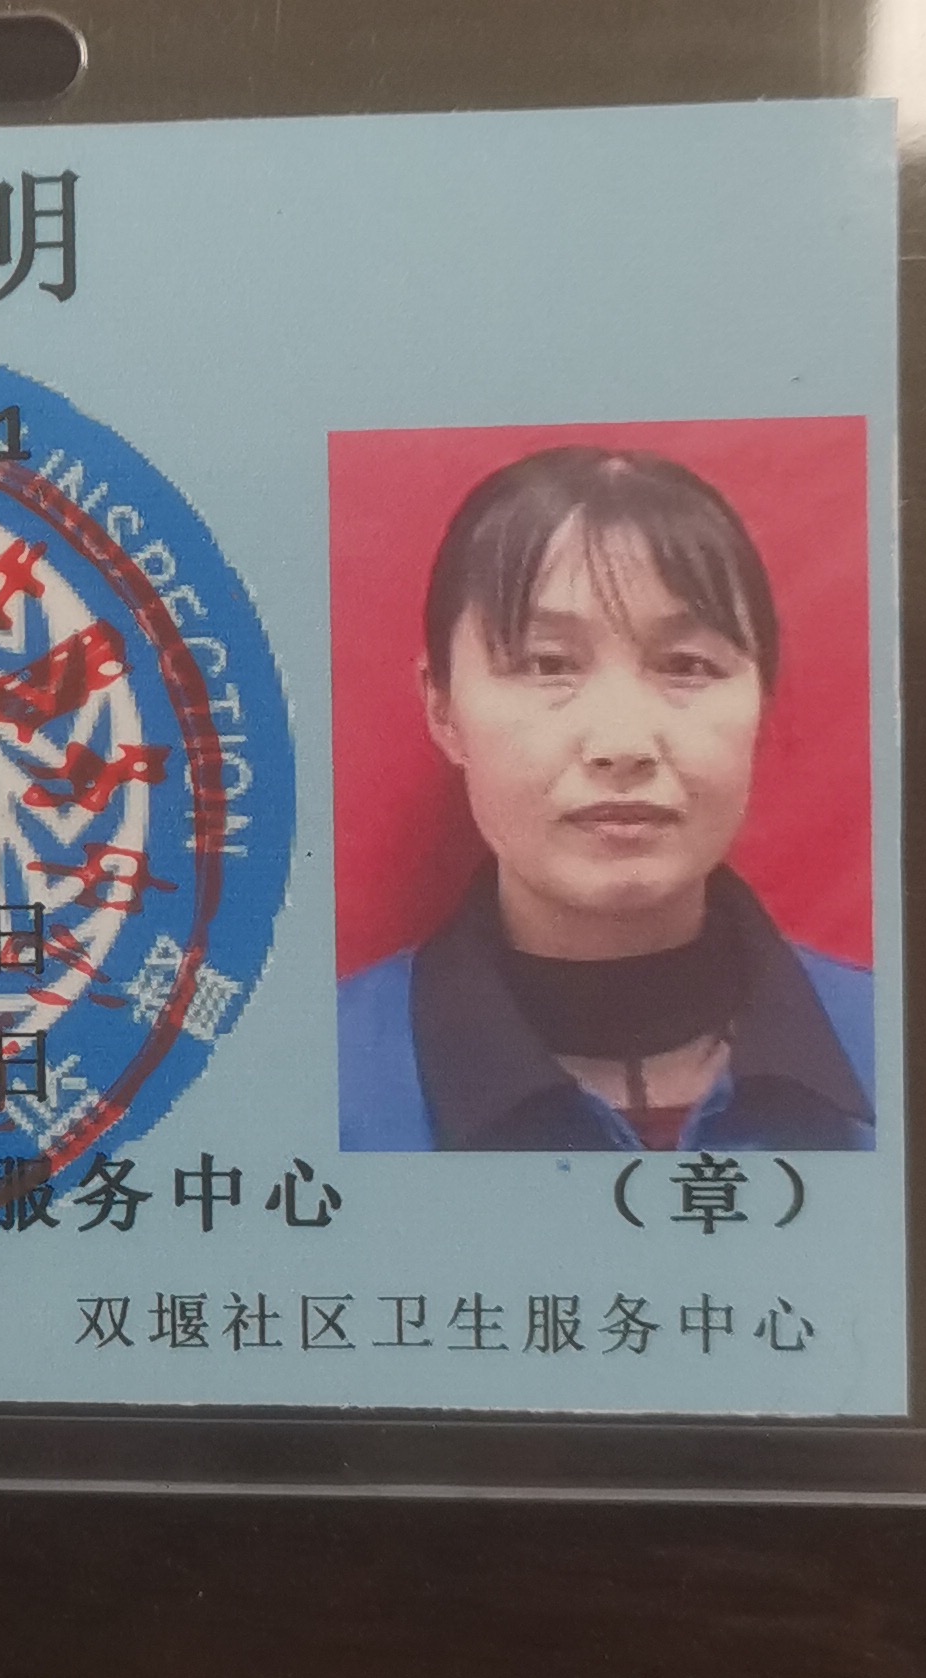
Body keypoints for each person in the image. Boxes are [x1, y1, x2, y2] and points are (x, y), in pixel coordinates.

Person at [336, 442, 874, 1153]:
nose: (622, 744)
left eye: (686, 665)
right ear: (442, 708)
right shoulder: (316, 1076)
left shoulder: (907, 1045)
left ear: (762, 700)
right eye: (547, 664)